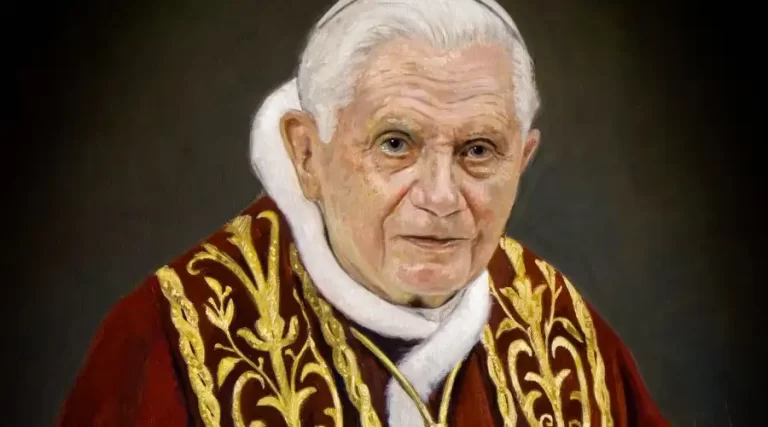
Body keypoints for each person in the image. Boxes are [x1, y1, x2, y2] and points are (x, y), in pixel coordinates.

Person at [57, 0, 670, 426]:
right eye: (395, 144)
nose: (440, 196)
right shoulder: (167, 339)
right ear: (307, 153)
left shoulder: (563, 331)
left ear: (523, 159)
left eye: (479, 151)